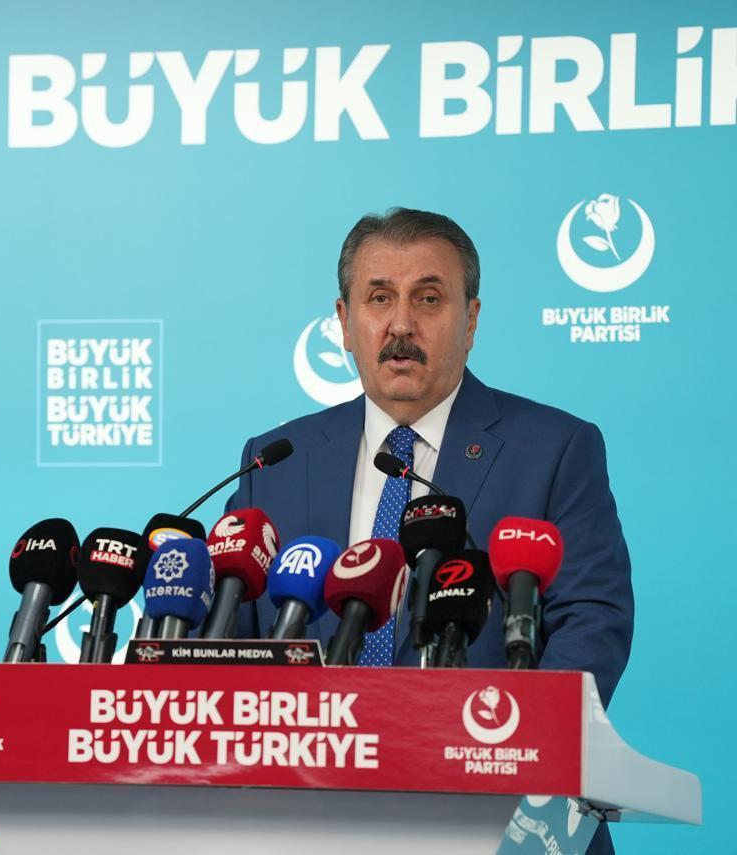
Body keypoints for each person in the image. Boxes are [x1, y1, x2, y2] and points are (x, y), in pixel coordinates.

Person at [227, 209, 633, 852]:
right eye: (378, 298)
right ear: (344, 321)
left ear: (471, 320)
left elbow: (593, 621)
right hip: (306, 818)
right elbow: (230, 640)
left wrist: (521, 753)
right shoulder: (276, 461)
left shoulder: (554, 449)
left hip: (499, 815)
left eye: (429, 298)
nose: (400, 325)